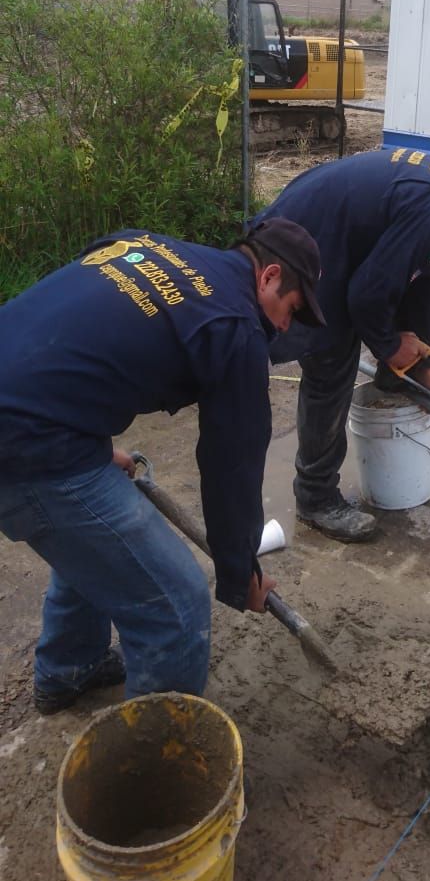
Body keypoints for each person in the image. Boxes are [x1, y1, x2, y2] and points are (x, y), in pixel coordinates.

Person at [0, 219, 324, 714]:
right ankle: (154, 777)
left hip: (29, 412)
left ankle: (70, 669)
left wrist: (90, 440)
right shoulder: (235, 329)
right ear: (269, 276)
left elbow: (79, 333)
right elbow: (231, 465)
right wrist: (240, 575)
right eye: (291, 310)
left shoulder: (145, 245)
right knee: (176, 606)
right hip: (26, 445)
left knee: (99, 542)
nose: (284, 328)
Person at [254, 147, 430, 542]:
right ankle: (316, 498)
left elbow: (429, 286)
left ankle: (395, 381)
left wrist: (421, 361)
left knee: (371, 341)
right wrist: (390, 348)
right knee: (332, 366)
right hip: (300, 243)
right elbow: (367, 296)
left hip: (330, 240)